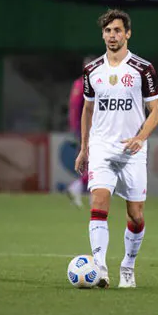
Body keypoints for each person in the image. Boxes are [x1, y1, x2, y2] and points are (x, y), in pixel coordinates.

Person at [74, 8, 158, 289]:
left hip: (132, 150)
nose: (113, 35)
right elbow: (87, 110)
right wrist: (85, 148)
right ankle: (99, 268)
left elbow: (156, 111)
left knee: (136, 215)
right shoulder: (92, 70)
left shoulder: (142, 69)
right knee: (99, 202)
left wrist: (141, 138)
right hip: (102, 147)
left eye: (117, 30)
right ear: (103, 35)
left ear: (128, 34)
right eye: (108, 31)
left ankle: (128, 265)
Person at [67, 56, 95, 208]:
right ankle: (77, 188)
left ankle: (82, 191)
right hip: (86, 130)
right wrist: (76, 130)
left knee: (93, 163)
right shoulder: (81, 84)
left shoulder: (95, 84)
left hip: (94, 130)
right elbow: (75, 108)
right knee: (94, 163)